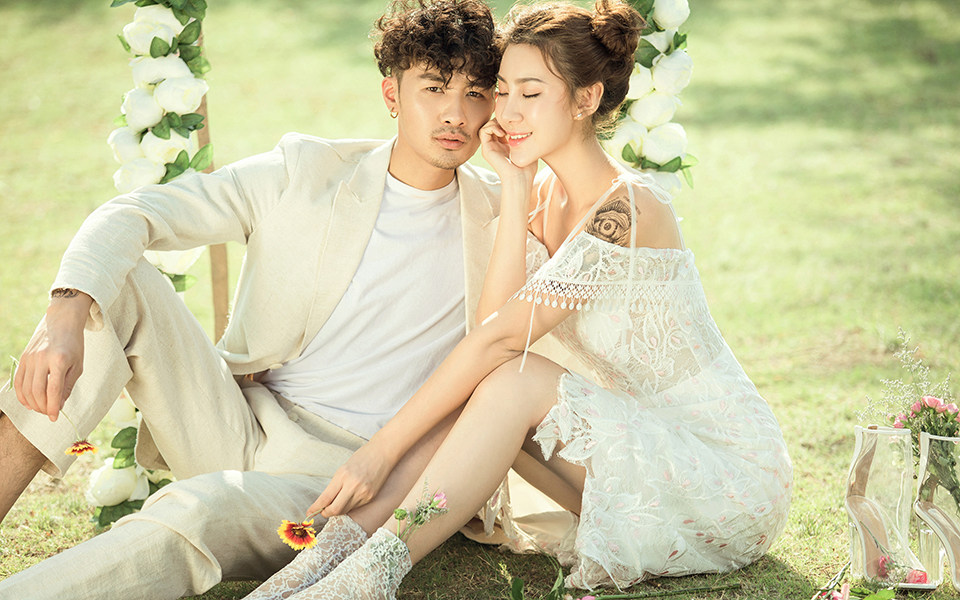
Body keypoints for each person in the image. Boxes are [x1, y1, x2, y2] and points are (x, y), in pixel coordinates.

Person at [243, 1, 794, 598]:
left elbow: (502, 341)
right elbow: (490, 327)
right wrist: (515, 185)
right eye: (502, 91)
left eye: (530, 94)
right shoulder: (540, 191)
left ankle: (368, 576)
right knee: (486, 382)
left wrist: (380, 451)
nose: (505, 113)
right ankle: (321, 562)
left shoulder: (628, 208)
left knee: (513, 377)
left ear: (585, 99)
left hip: (721, 473)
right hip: (624, 457)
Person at [0, 1, 503, 598]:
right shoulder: (307, 172)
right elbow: (138, 212)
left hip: (344, 482)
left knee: (196, 512)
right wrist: (65, 309)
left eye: (475, 93)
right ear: (391, 93)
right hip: (235, 420)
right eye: (435, 87)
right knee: (114, 286)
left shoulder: (507, 217)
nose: (455, 113)